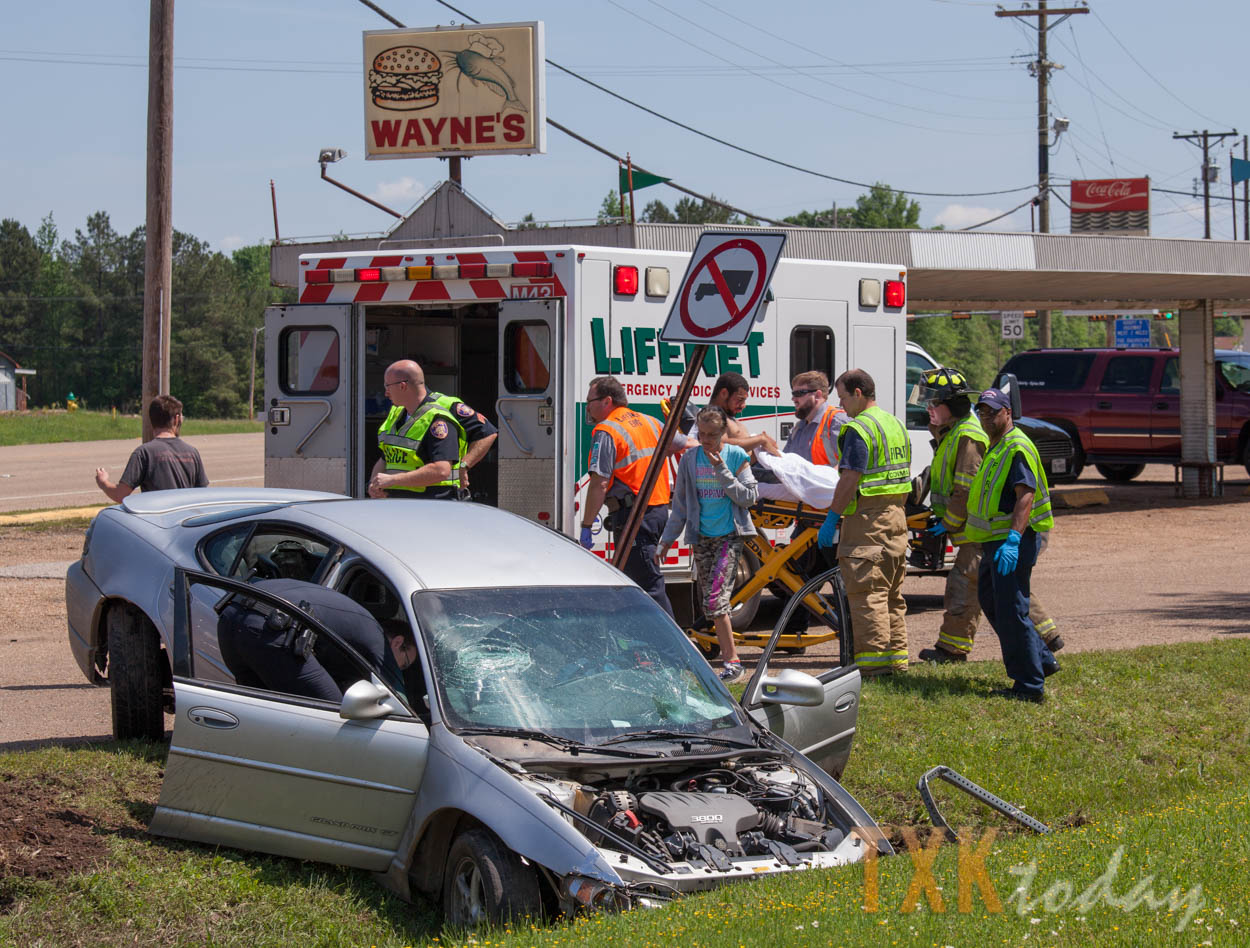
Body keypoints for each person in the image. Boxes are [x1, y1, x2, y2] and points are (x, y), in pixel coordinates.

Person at [915, 367, 1065, 663]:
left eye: (934, 402)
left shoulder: (967, 437)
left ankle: (953, 650)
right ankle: (1047, 638)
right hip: (976, 530)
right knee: (1001, 589)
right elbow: (934, 477)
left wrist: (949, 522)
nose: (928, 409)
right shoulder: (951, 434)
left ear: (953, 404)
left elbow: (966, 488)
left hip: (983, 531)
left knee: (973, 588)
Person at [963, 388, 1058, 703]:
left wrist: (1014, 539)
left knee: (1011, 611)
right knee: (992, 602)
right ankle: (1041, 659)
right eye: (982, 412)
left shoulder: (1016, 447)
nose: (986, 416)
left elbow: (1025, 496)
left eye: (992, 411)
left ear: (1008, 412)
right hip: (995, 542)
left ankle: (1029, 686)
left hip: (1012, 541)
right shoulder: (997, 445)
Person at [816, 369, 911, 676]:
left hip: (867, 523)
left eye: (842, 397)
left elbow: (850, 479)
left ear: (858, 393)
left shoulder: (860, 429)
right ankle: (897, 662)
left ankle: (873, 671)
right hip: (896, 518)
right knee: (892, 597)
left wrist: (832, 516)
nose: (841, 405)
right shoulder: (895, 424)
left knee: (867, 596)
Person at [657, 407, 759, 682]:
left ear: (723, 433)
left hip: (729, 537)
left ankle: (733, 663)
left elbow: (749, 497)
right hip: (701, 539)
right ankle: (722, 658)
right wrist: (666, 541)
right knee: (708, 603)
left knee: (716, 601)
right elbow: (680, 506)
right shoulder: (690, 459)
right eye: (701, 434)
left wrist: (722, 471)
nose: (706, 441)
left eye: (712, 435)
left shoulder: (737, 456)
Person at [580, 375, 685, 619]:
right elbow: (682, 444)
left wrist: (586, 525)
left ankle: (669, 649)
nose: (587, 407)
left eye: (590, 401)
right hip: (657, 511)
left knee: (648, 586)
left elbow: (600, 483)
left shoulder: (607, 430)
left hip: (634, 515)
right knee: (638, 580)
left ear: (607, 401)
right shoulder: (649, 421)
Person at [217, 578, 417, 701]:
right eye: (406, 662)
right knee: (333, 715)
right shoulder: (379, 643)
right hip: (269, 627)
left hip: (231, 615)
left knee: (258, 711)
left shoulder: (361, 625)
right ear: (398, 642)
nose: (401, 667)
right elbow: (396, 701)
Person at [368, 360, 496, 500]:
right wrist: (374, 484)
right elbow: (386, 456)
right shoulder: (397, 412)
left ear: (403, 386)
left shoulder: (446, 408)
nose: (385, 393)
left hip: (433, 500)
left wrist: (464, 465)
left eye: (387, 386)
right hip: (402, 501)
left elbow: (487, 433)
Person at [95, 395, 208, 502]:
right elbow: (203, 496)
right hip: (185, 520)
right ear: (176, 419)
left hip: (158, 520)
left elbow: (120, 495)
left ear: (151, 419)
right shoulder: (192, 452)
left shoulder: (143, 453)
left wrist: (103, 482)